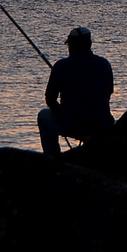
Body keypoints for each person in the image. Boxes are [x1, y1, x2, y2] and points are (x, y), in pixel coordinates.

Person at [37, 26, 114, 156]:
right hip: (102, 124)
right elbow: (108, 93)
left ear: (71, 45)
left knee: (44, 116)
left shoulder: (61, 66)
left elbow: (50, 99)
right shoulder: (104, 64)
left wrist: (63, 113)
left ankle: (52, 158)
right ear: (89, 44)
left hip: (73, 124)